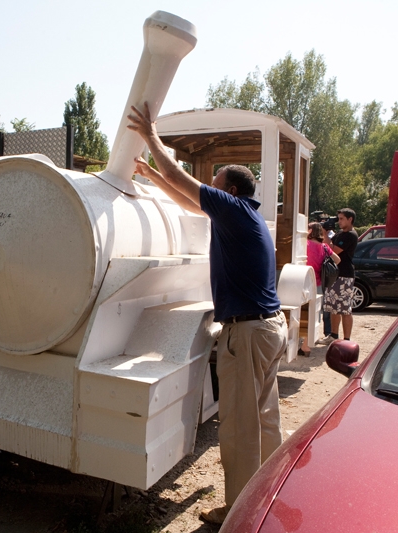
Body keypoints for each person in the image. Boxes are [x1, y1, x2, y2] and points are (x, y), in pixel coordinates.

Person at [126, 102, 288, 525]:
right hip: (270, 328)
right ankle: (267, 498)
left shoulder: (232, 211)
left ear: (230, 191)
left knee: (238, 428)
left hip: (249, 333)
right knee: (266, 422)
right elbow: (186, 196)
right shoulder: (246, 217)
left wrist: (151, 136)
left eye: (215, 185)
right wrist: (153, 177)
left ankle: (239, 515)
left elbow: (186, 183)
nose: (209, 190)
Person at [317, 208, 358, 344]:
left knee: (345, 309)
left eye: (341, 219)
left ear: (350, 219)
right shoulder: (340, 234)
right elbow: (325, 243)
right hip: (335, 275)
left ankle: (346, 340)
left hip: (344, 275)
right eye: (338, 218)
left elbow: (332, 251)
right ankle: (333, 336)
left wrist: (324, 232)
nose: (339, 221)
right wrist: (325, 232)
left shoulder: (350, 235)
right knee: (334, 307)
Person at [300, 222, 340, 355]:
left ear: (310, 231)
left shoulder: (304, 244)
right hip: (318, 283)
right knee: (314, 314)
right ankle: (306, 345)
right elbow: (337, 259)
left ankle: (294, 342)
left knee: (298, 311)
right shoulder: (324, 247)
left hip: (302, 280)